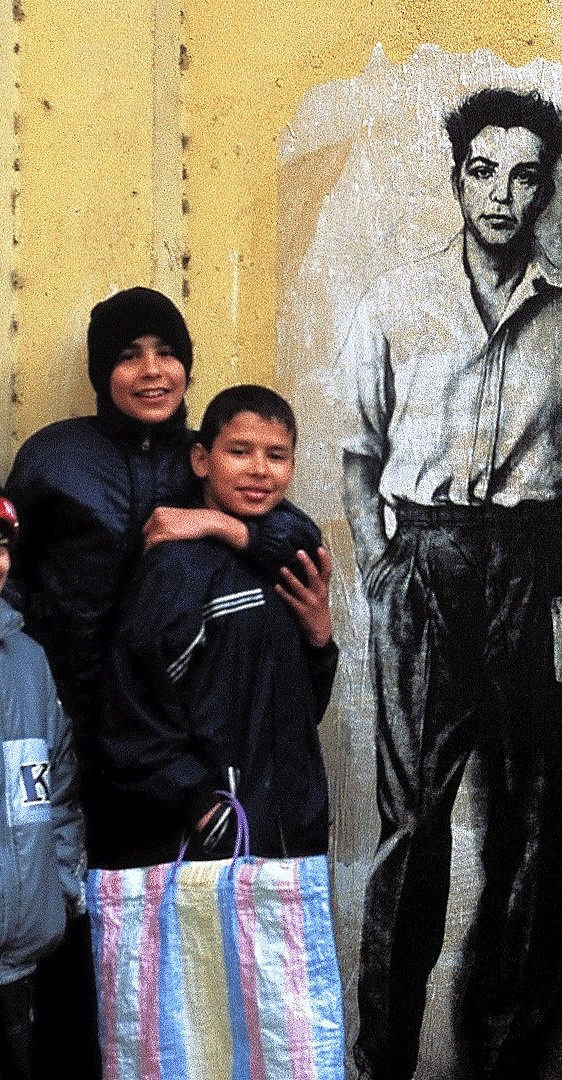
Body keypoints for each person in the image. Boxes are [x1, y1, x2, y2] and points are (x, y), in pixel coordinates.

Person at [340, 87, 562, 1079]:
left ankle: (509, 1060)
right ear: (457, 178)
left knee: (535, 827)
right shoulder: (394, 302)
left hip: (541, 566)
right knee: (412, 827)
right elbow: (358, 456)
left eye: (523, 175)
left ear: (546, 187)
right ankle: (380, 1058)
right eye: (483, 171)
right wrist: (381, 569)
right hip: (426, 568)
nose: (502, 195)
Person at [4, 288, 324, 1078]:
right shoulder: (54, 457)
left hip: (175, 755)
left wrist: (218, 524)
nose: (151, 371)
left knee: (160, 960)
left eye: (166, 352)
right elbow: (8, 569)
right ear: (98, 371)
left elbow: (295, 532)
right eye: (127, 355)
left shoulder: (210, 455)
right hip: (71, 742)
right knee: (70, 942)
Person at [95, 384, 337, 866]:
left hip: (288, 832)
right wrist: (200, 804)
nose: (259, 470)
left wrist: (319, 641)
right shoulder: (176, 567)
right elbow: (130, 704)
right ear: (202, 459)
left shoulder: (289, 567)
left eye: (277, 455)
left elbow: (299, 709)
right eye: (239, 451)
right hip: (209, 841)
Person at [0, 492, 83, 1080]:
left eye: (0, 545)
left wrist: (60, 888)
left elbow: (59, 788)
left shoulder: (27, 659)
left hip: (19, 957)